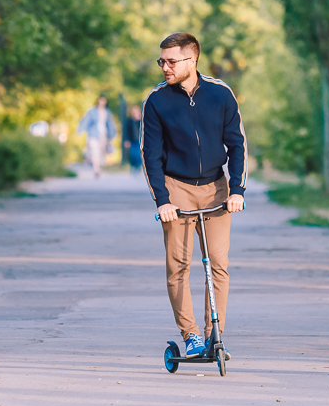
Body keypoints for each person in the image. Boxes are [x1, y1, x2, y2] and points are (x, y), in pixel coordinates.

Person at [141, 32, 247, 359]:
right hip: (177, 189)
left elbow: (238, 145)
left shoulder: (220, 94)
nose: (165, 68)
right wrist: (163, 200)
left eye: (172, 61)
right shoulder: (157, 101)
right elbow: (151, 156)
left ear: (193, 60)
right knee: (179, 266)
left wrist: (237, 190)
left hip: (216, 188)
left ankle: (216, 335)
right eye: (162, 61)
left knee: (218, 264)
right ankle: (191, 336)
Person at [77, 95, 118, 177]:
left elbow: (110, 124)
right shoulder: (93, 111)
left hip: (103, 135)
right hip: (93, 135)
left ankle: (95, 164)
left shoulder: (107, 112)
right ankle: (97, 169)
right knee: (95, 151)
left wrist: (113, 134)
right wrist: (80, 130)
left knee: (101, 153)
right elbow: (86, 121)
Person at [123, 104, 143, 169]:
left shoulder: (142, 121)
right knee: (133, 154)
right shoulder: (129, 121)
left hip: (141, 140)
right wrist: (126, 140)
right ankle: (134, 166)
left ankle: (138, 166)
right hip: (132, 140)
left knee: (139, 154)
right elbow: (126, 132)